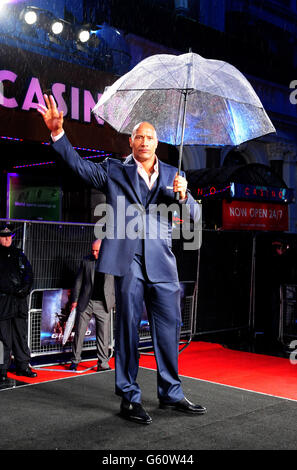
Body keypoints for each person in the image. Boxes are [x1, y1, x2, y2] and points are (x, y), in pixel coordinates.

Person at [37, 95, 206, 424]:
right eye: (139, 136)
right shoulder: (114, 169)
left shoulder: (175, 174)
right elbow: (80, 167)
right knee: (127, 331)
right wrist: (58, 134)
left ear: (158, 143)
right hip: (128, 263)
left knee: (168, 330)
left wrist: (184, 196)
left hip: (163, 265)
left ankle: (171, 392)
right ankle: (129, 396)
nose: (144, 141)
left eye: (150, 137)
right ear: (131, 142)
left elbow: (195, 218)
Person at [69, 239, 115, 371]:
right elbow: (79, 281)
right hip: (86, 302)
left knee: (103, 335)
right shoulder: (86, 261)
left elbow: (117, 283)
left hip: (104, 304)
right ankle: (75, 361)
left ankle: (103, 363)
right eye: (93, 250)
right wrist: (74, 301)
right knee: (79, 333)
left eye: (97, 251)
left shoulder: (112, 262)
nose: (94, 253)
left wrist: (114, 301)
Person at [0, 225, 37, 382]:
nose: (8, 238)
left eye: (9, 236)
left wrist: (25, 289)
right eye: (4, 236)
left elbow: (29, 274)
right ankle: (2, 370)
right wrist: (13, 288)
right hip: (3, 302)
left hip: (19, 302)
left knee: (21, 336)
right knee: (3, 338)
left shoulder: (19, 254)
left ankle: (23, 366)